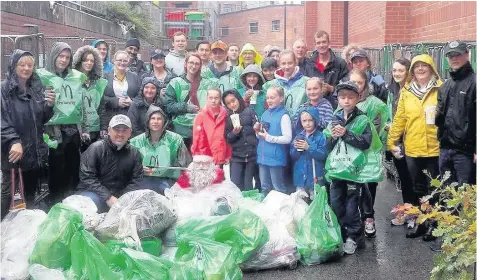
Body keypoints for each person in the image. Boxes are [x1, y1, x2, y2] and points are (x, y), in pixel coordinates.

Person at [387, 54, 443, 239]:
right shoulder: (407, 91)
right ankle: (422, 222)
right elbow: (400, 119)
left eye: (424, 65)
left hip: (434, 148)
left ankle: (434, 225)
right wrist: (392, 140)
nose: (420, 69)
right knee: (418, 188)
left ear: (431, 68)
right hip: (413, 148)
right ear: (413, 70)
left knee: (432, 189)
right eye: (417, 66)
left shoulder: (441, 89)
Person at [1, 50, 55, 219]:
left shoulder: (35, 88)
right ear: (14, 66)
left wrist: (49, 106)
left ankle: (24, 231)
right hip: (14, 152)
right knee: (9, 195)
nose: (26, 68)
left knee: (29, 196)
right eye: (22, 64)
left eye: (30, 65)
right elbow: (2, 119)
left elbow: (41, 120)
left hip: (33, 153)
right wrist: (13, 140)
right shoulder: (4, 89)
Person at [325, 81, 374, 255]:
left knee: (353, 204)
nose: (346, 101)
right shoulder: (335, 117)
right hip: (337, 170)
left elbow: (366, 143)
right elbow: (328, 146)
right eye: (342, 97)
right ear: (338, 99)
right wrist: (331, 137)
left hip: (354, 170)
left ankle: (353, 236)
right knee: (336, 202)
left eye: (350, 97)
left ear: (358, 98)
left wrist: (346, 134)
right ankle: (341, 234)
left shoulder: (362, 119)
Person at [37, 42, 87, 205]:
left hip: (73, 129)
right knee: (56, 167)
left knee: (73, 167)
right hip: (52, 130)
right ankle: (54, 202)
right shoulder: (42, 76)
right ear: (54, 56)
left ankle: (71, 201)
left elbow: (82, 103)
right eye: (61, 56)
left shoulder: (76, 76)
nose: (64, 60)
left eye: (67, 57)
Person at [348, 69, 389, 238]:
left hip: (369, 151)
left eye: (359, 82)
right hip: (351, 150)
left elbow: (379, 127)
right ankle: (356, 218)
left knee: (369, 185)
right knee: (353, 186)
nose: (356, 85)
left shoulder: (375, 103)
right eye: (353, 82)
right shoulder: (346, 99)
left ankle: (369, 217)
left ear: (365, 82)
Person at [78, 114, 144, 213]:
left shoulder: (134, 153)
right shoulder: (96, 148)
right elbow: (87, 177)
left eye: (124, 130)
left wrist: (122, 199)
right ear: (109, 131)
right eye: (116, 130)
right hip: (96, 194)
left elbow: (137, 180)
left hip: (121, 198)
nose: (120, 134)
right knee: (90, 204)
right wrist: (108, 197)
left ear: (130, 133)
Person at [436, 41, 476, 185]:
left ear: (467, 54)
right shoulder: (445, 85)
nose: (454, 58)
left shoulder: (474, 82)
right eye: (450, 55)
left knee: (465, 197)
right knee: (446, 195)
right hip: (445, 149)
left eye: (458, 54)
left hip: (466, 152)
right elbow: (441, 118)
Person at [130, 105, 191, 194]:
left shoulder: (176, 139)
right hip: (143, 181)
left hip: (168, 181)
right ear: (148, 121)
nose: (156, 121)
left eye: (159, 119)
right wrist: (139, 168)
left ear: (164, 121)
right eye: (153, 118)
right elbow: (128, 166)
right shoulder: (136, 141)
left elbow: (185, 165)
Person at [164, 54, 219, 145]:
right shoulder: (176, 82)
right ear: (185, 64)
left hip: (204, 128)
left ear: (200, 66)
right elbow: (169, 106)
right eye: (191, 63)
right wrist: (186, 107)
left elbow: (216, 105)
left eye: (197, 64)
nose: (193, 66)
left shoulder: (208, 84)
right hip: (182, 131)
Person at [387, 58, 414, 224]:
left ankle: (415, 214)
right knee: (404, 179)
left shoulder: (412, 91)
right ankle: (408, 211)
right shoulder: (392, 90)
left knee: (413, 180)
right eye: (394, 70)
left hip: (411, 141)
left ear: (408, 72)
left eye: (400, 70)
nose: (396, 73)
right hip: (397, 140)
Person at [254, 86, 292, 196]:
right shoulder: (265, 114)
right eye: (267, 98)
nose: (269, 100)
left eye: (272, 97)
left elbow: (287, 138)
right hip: (262, 156)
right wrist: (257, 132)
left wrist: (269, 138)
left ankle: (282, 211)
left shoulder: (284, 116)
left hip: (276, 158)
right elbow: (261, 135)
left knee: (278, 188)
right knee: (264, 187)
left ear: (281, 99)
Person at [72, 45, 107, 151]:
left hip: (95, 129)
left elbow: (101, 107)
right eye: (86, 60)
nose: (89, 63)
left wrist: (103, 127)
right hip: (78, 129)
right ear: (79, 61)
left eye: (92, 61)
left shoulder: (98, 82)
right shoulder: (73, 81)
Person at [223, 89, 259, 191]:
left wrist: (257, 127)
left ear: (238, 98)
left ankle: (249, 203)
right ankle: (237, 204)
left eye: (233, 100)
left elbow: (257, 129)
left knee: (248, 183)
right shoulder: (228, 118)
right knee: (235, 183)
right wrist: (234, 133)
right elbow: (228, 138)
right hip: (237, 156)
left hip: (251, 155)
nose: (232, 104)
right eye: (228, 103)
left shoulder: (250, 112)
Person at [290, 106, 327, 200]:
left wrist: (308, 147)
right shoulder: (299, 136)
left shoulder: (320, 136)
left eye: (310, 120)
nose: (307, 123)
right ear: (300, 122)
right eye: (304, 121)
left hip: (315, 175)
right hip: (300, 176)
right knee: (300, 201)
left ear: (315, 120)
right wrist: (295, 148)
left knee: (315, 199)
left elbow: (323, 154)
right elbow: (293, 156)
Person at [304, 30, 349, 108]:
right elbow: (304, 86)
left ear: (329, 43)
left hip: (335, 107)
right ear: (315, 45)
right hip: (313, 108)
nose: (321, 45)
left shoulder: (340, 63)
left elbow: (347, 86)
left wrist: (332, 89)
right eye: (318, 43)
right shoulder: (309, 64)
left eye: (324, 42)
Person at [191, 88, 231, 168]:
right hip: (205, 157)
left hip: (220, 155)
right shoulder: (201, 115)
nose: (213, 100)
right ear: (207, 99)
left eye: (216, 98)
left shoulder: (226, 115)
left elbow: (228, 137)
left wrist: (228, 155)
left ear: (220, 99)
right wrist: (197, 154)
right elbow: (197, 137)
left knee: (219, 179)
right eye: (211, 98)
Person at [101, 50, 140, 130]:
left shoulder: (134, 77)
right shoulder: (105, 77)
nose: (122, 63)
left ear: (128, 62)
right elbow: (100, 98)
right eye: (119, 60)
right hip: (110, 116)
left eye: (125, 61)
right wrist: (116, 101)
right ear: (114, 61)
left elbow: (140, 95)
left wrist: (132, 101)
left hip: (129, 116)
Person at [263, 50, 309, 117]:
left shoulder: (306, 82)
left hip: (301, 124)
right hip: (279, 124)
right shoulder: (271, 85)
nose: (287, 67)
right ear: (279, 64)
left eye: (290, 63)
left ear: (295, 62)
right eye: (283, 63)